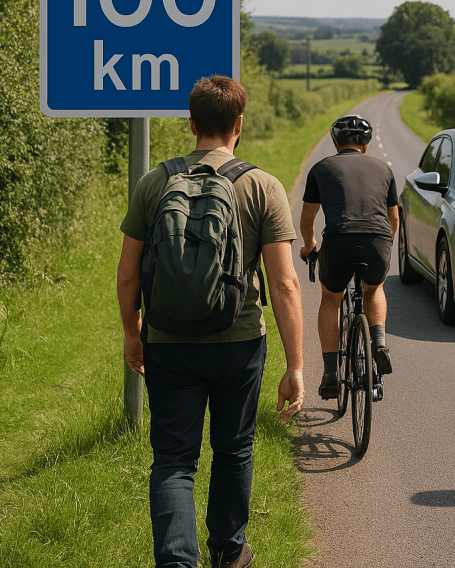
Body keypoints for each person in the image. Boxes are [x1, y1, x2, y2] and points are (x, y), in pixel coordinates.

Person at [116, 76, 305, 568]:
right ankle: (228, 551)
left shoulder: (154, 182)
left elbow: (127, 274)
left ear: (192, 122)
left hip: (168, 342)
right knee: (234, 448)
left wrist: (132, 337)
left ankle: (178, 562)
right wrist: (297, 365)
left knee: (174, 461)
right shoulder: (262, 185)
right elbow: (285, 285)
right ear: (239, 124)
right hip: (238, 342)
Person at [298, 114, 399, 400]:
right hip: (377, 241)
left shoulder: (321, 168)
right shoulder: (384, 169)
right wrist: (384, 245)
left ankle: (331, 373)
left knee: (331, 298)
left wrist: (309, 246)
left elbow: (307, 219)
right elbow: (394, 218)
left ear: (334, 142)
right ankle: (378, 342)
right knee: (374, 288)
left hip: (338, 242)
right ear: (366, 144)